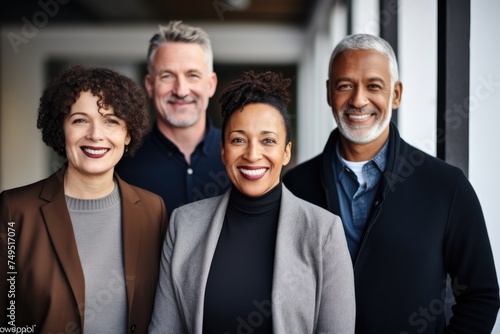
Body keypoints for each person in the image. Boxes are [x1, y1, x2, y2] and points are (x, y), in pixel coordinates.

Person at [283, 33, 500, 333]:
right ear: (329, 93)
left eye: (374, 86)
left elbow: (481, 295)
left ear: (396, 94)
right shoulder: (293, 187)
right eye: (345, 85)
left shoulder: (446, 187)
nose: (359, 100)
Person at [148, 71, 356, 333]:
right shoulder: (184, 224)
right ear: (223, 151)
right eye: (238, 140)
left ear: (286, 152)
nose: (252, 154)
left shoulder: (323, 232)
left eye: (268, 140)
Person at [0, 64, 168, 333]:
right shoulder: (15, 210)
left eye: (111, 121)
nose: (95, 135)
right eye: (80, 120)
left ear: (127, 134)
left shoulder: (153, 210)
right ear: (61, 128)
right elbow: (6, 320)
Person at [116, 20, 230, 214]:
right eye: (167, 76)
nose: (181, 90)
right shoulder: (121, 162)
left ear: (210, 84)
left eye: (192, 75)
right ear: (150, 85)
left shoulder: (240, 155)